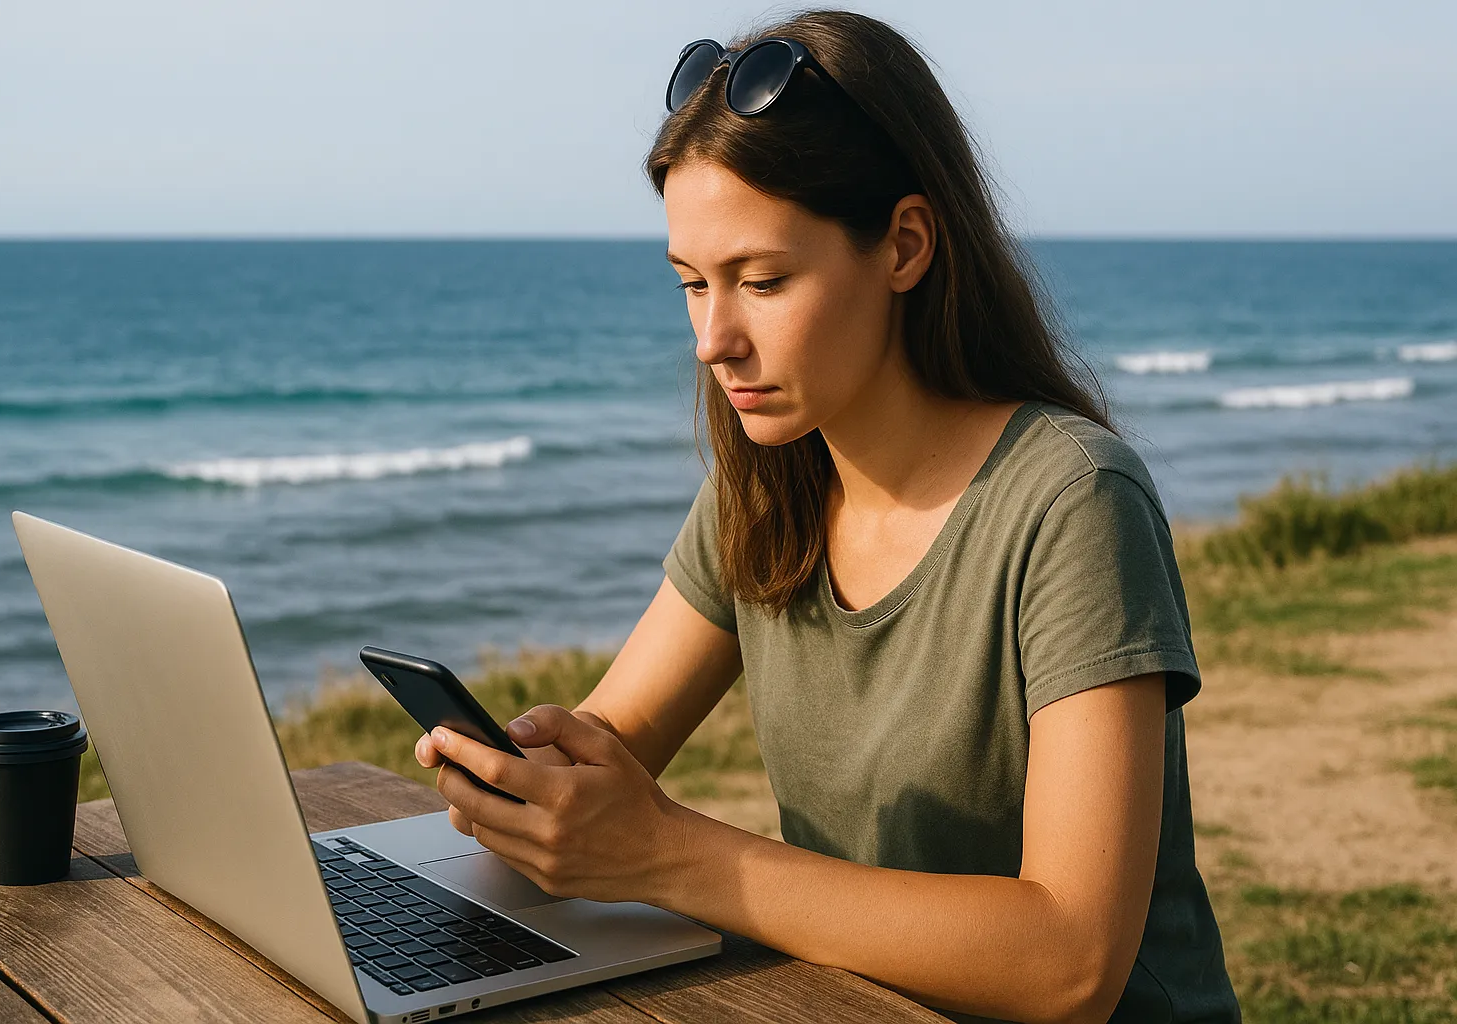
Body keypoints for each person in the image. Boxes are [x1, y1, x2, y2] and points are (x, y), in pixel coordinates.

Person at [412, 9, 1240, 1023]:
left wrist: (669, 852)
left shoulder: (1070, 502)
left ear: (903, 244)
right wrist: (533, 777)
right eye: (691, 284)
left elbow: (1068, 961)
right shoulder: (765, 488)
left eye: (763, 281)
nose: (715, 340)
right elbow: (617, 734)